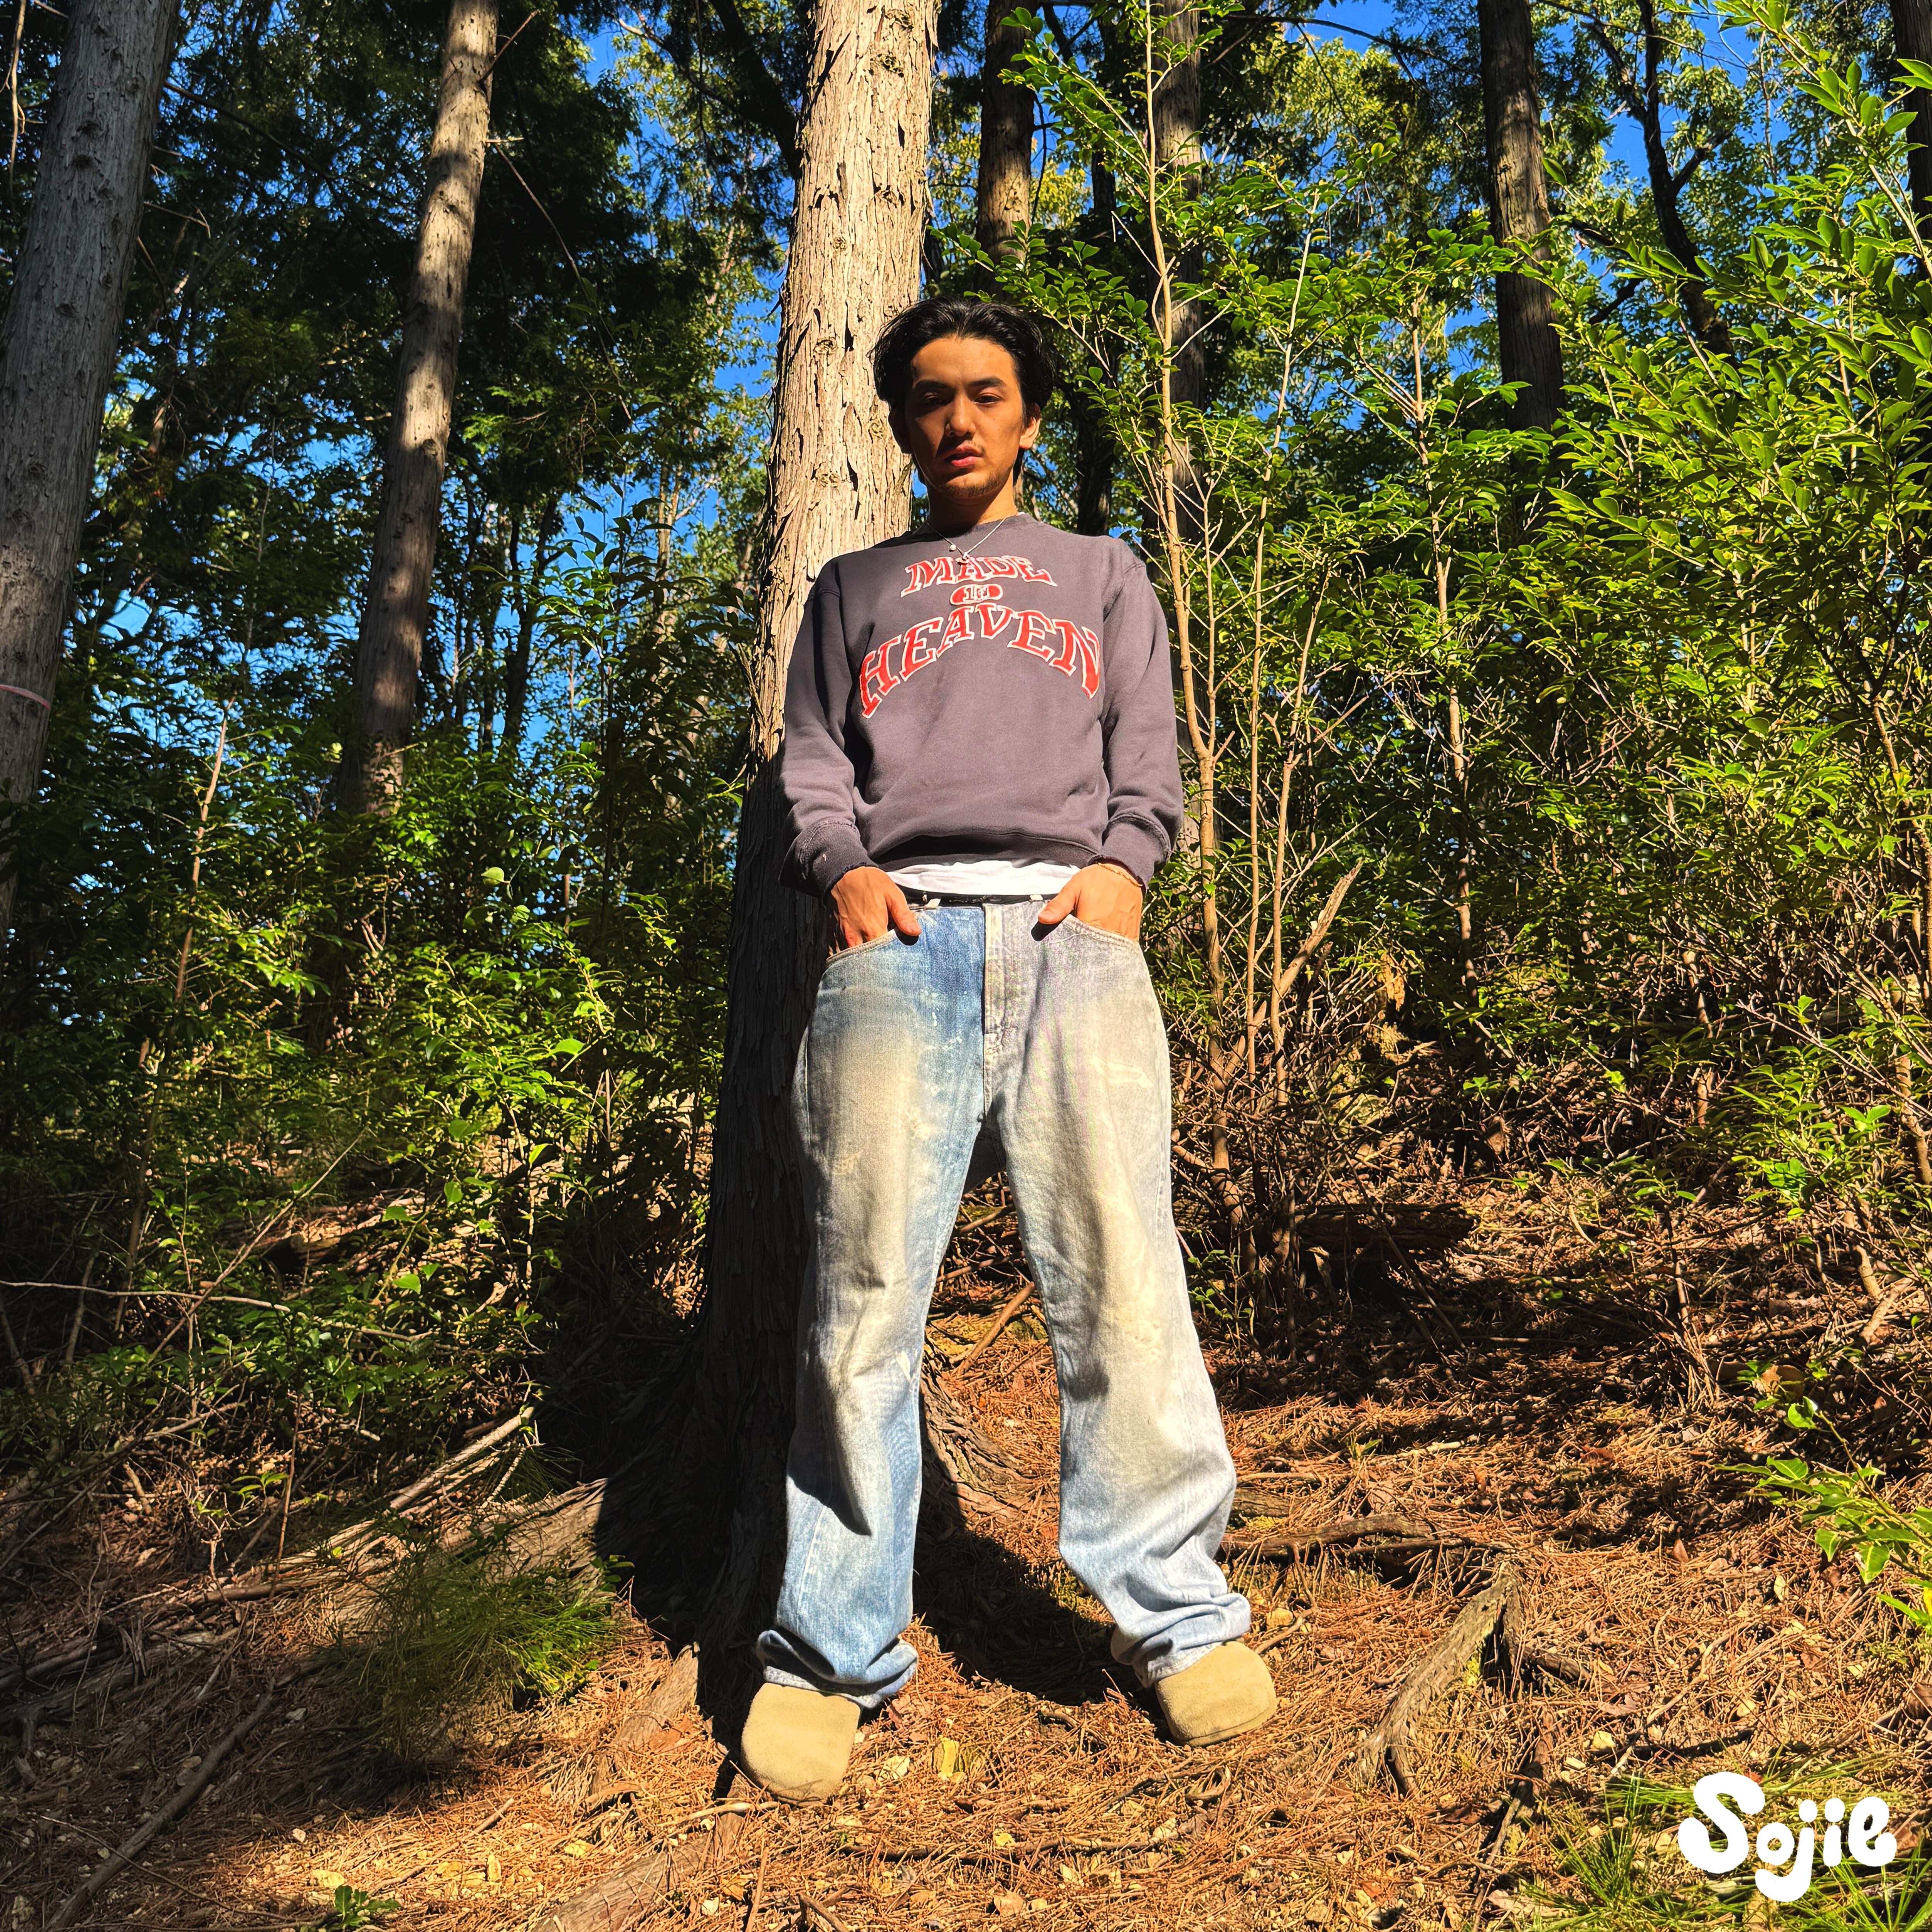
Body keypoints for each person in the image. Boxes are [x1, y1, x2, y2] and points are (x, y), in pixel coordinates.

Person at [736, 298, 1275, 1805]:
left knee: (1124, 1278)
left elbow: (1147, 750)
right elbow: (810, 762)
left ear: (1028, 417)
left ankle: (1175, 1618)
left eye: (985, 394)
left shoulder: (1102, 572)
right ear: (903, 425)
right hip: (895, 947)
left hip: (1068, 939)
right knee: (858, 1307)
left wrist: (1122, 872)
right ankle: (829, 1651)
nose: (958, 419)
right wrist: (843, 874)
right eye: (930, 397)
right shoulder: (854, 588)